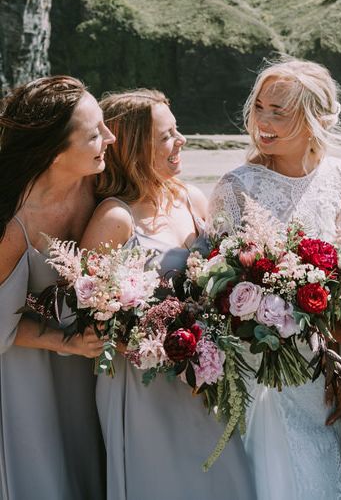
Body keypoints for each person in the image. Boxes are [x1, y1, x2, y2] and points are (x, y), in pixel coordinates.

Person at [80, 89, 255, 500]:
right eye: (167, 136)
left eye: (177, 131)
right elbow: (90, 314)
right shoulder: (113, 218)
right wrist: (155, 343)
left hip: (208, 373)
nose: (182, 141)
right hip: (145, 385)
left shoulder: (190, 198)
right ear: (134, 147)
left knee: (226, 479)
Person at [209, 57, 341, 500]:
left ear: (315, 120)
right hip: (256, 363)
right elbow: (215, 284)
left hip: (317, 363)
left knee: (320, 462)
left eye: (280, 112)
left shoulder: (340, 177)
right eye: (260, 108)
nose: (263, 122)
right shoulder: (236, 186)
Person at [0, 75, 112, 499]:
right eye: (95, 133)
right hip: (23, 376)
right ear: (53, 153)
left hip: (89, 368)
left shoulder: (98, 182)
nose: (111, 137)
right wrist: (65, 344)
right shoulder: (13, 222)